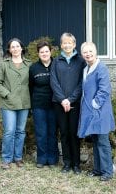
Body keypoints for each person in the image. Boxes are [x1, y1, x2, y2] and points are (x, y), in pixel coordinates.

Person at [77, 41, 115, 181]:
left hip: (100, 111)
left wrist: (95, 103)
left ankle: (107, 172)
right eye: (85, 52)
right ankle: (98, 169)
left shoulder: (101, 67)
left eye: (90, 51)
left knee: (103, 142)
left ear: (95, 52)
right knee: (96, 141)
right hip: (90, 112)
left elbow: (104, 90)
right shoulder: (86, 69)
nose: (88, 54)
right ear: (82, 54)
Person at [0, 38, 32, 170]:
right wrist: (7, 94)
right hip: (8, 103)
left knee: (20, 131)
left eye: (17, 46)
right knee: (9, 131)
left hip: (24, 103)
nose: (15, 49)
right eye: (12, 47)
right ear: (9, 50)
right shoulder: (4, 64)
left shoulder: (29, 64)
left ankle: (18, 158)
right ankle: (6, 159)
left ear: (22, 48)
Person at [50, 32, 86, 174]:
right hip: (59, 104)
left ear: (74, 44)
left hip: (75, 104)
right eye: (64, 43)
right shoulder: (56, 61)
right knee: (64, 133)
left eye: (69, 42)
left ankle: (76, 164)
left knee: (74, 134)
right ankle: (66, 163)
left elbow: (81, 83)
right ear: (61, 45)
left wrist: (70, 99)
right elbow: (53, 82)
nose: (67, 45)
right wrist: (63, 99)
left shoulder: (81, 61)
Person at [29, 40, 59, 168]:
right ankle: (41, 158)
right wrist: (31, 105)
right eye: (42, 52)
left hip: (54, 105)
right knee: (41, 132)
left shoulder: (57, 65)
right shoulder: (33, 68)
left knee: (52, 133)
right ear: (38, 53)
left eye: (46, 51)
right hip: (39, 106)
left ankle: (52, 159)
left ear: (51, 51)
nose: (44, 53)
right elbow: (30, 87)